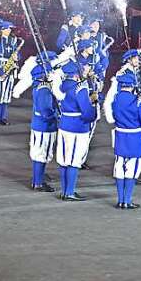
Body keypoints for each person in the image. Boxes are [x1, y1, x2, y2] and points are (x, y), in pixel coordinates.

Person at [105, 69, 141, 209]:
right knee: (132, 171)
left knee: (120, 168)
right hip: (135, 138)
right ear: (132, 86)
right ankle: (127, 200)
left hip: (120, 136)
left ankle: (120, 199)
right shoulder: (137, 102)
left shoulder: (115, 100)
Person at [54, 58, 98, 200]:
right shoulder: (80, 88)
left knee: (64, 158)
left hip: (64, 124)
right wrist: (95, 106)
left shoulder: (62, 86)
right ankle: (69, 192)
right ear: (76, 74)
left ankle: (64, 190)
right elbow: (86, 112)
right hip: (77, 127)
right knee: (74, 159)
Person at [27, 64, 58, 191]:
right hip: (44, 126)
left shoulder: (39, 87)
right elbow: (46, 111)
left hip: (40, 125)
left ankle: (38, 179)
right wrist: (58, 116)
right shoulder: (44, 89)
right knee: (41, 154)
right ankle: (38, 182)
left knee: (41, 154)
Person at [0, 21, 22, 125]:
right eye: (7, 29)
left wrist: (17, 57)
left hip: (10, 67)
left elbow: (17, 53)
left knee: (6, 93)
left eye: (10, 29)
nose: (9, 30)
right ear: (2, 30)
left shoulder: (13, 40)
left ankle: (3, 117)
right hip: (1, 66)